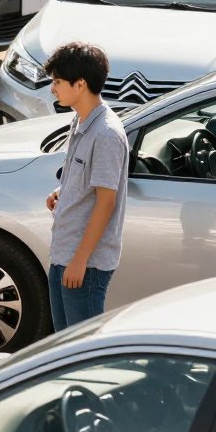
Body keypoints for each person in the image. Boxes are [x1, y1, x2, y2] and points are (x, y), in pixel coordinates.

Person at [44, 42, 128, 330]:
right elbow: (86, 182)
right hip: (63, 255)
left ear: (80, 84)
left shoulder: (105, 134)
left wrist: (79, 261)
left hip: (85, 266)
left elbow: (107, 202)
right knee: (62, 348)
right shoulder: (80, 122)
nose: (53, 88)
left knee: (81, 353)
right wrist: (61, 193)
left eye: (57, 82)